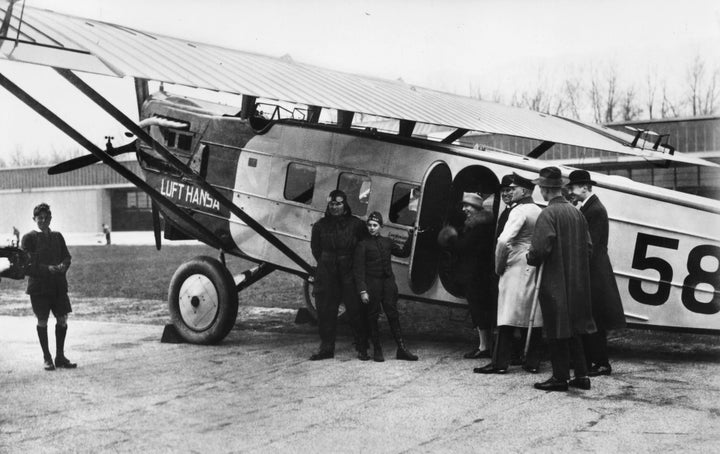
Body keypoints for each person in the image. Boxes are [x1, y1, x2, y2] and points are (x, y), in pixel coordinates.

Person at [527, 167, 596, 392]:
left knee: (556, 326)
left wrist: (531, 257)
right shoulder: (577, 213)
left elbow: (539, 249)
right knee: (575, 327)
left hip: (555, 279)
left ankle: (560, 377)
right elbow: (588, 247)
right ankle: (582, 375)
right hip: (577, 280)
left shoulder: (548, 213)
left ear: (545, 189)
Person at [476, 173, 543, 374]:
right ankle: (532, 362)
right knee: (533, 315)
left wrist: (498, 266)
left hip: (514, 265)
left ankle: (499, 363)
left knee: (506, 314)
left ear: (524, 191)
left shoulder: (519, 211)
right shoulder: (539, 210)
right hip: (533, 264)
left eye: (513, 189)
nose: (510, 191)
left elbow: (503, 241)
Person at [567, 170, 626, 376]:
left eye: (572, 188)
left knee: (595, 319)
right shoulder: (591, 207)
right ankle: (591, 360)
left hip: (594, 274)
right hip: (595, 272)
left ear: (585, 187)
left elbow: (590, 245)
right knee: (591, 317)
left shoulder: (595, 210)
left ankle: (601, 363)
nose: (570, 192)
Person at [309, 190, 368, 361]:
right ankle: (326, 348)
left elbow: (363, 247)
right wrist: (328, 262)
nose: (335, 207)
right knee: (326, 310)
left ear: (345, 205)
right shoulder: (320, 226)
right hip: (327, 271)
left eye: (339, 204)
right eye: (332, 204)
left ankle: (362, 347)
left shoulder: (356, 225)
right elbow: (316, 250)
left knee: (356, 309)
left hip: (349, 271)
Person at [353, 211, 417, 362]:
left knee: (393, 315)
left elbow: (403, 252)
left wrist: (410, 237)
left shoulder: (387, 242)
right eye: (369, 225)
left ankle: (402, 349)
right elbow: (359, 271)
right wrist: (363, 291)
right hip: (372, 285)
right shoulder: (362, 245)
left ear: (381, 226)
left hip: (388, 284)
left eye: (375, 225)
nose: (371, 228)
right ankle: (377, 349)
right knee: (373, 317)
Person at [21, 203, 77, 371]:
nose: (43, 221)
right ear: (34, 219)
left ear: (51, 218)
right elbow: (27, 266)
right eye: (40, 218)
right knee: (42, 320)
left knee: (62, 319)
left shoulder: (58, 236)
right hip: (39, 288)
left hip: (58, 286)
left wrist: (63, 266)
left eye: (46, 218)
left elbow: (67, 257)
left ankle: (60, 356)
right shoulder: (28, 238)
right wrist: (47, 269)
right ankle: (47, 357)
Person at [443, 192, 495, 359]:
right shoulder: (477, 224)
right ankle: (484, 345)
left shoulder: (479, 226)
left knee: (478, 309)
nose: (464, 209)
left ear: (477, 208)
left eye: (468, 206)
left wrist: (450, 239)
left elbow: (464, 246)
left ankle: (484, 347)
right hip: (477, 273)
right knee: (478, 309)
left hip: (475, 274)